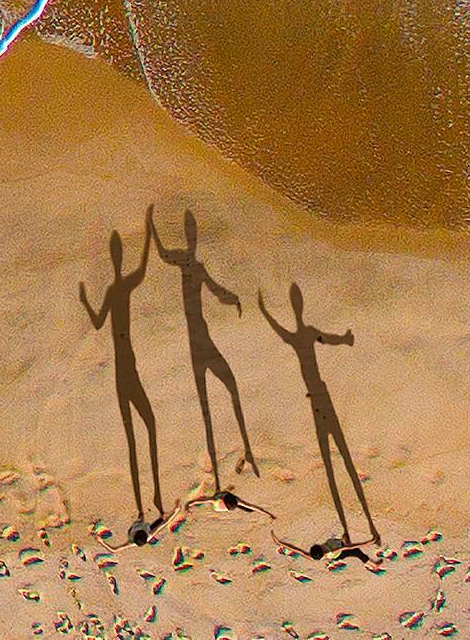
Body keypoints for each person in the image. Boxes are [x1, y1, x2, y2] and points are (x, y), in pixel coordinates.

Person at [259, 284, 378, 543]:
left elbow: (279, 329)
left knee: (334, 461)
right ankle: (366, 527)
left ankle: (358, 527)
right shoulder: (308, 333)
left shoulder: (296, 336)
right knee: (341, 457)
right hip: (320, 396)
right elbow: (333, 339)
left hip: (317, 398)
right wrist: (346, 339)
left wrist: (263, 310)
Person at [152, 209, 258, 489]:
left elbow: (216, 289)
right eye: (191, 234)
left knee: (227, 389)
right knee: (212, 400)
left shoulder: (194, 265)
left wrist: (233, 298)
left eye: (193, 234)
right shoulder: (187, 263)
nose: (192, 239)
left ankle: (246, 451)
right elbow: (163, 253)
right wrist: (151, 223)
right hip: (198, 343)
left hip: (200, 340)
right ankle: (232, 463)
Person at [79, 210, 165, 527]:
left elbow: (140, 269)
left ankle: (149, 502)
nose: (117, 259)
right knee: (140, 431)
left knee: (145, 428)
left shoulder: (120, 288)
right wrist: (87, 301)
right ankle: (145, 504)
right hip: (124, 368)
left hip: (123, 367)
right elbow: (100, 321)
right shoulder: (120, 289)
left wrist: (149, 232)